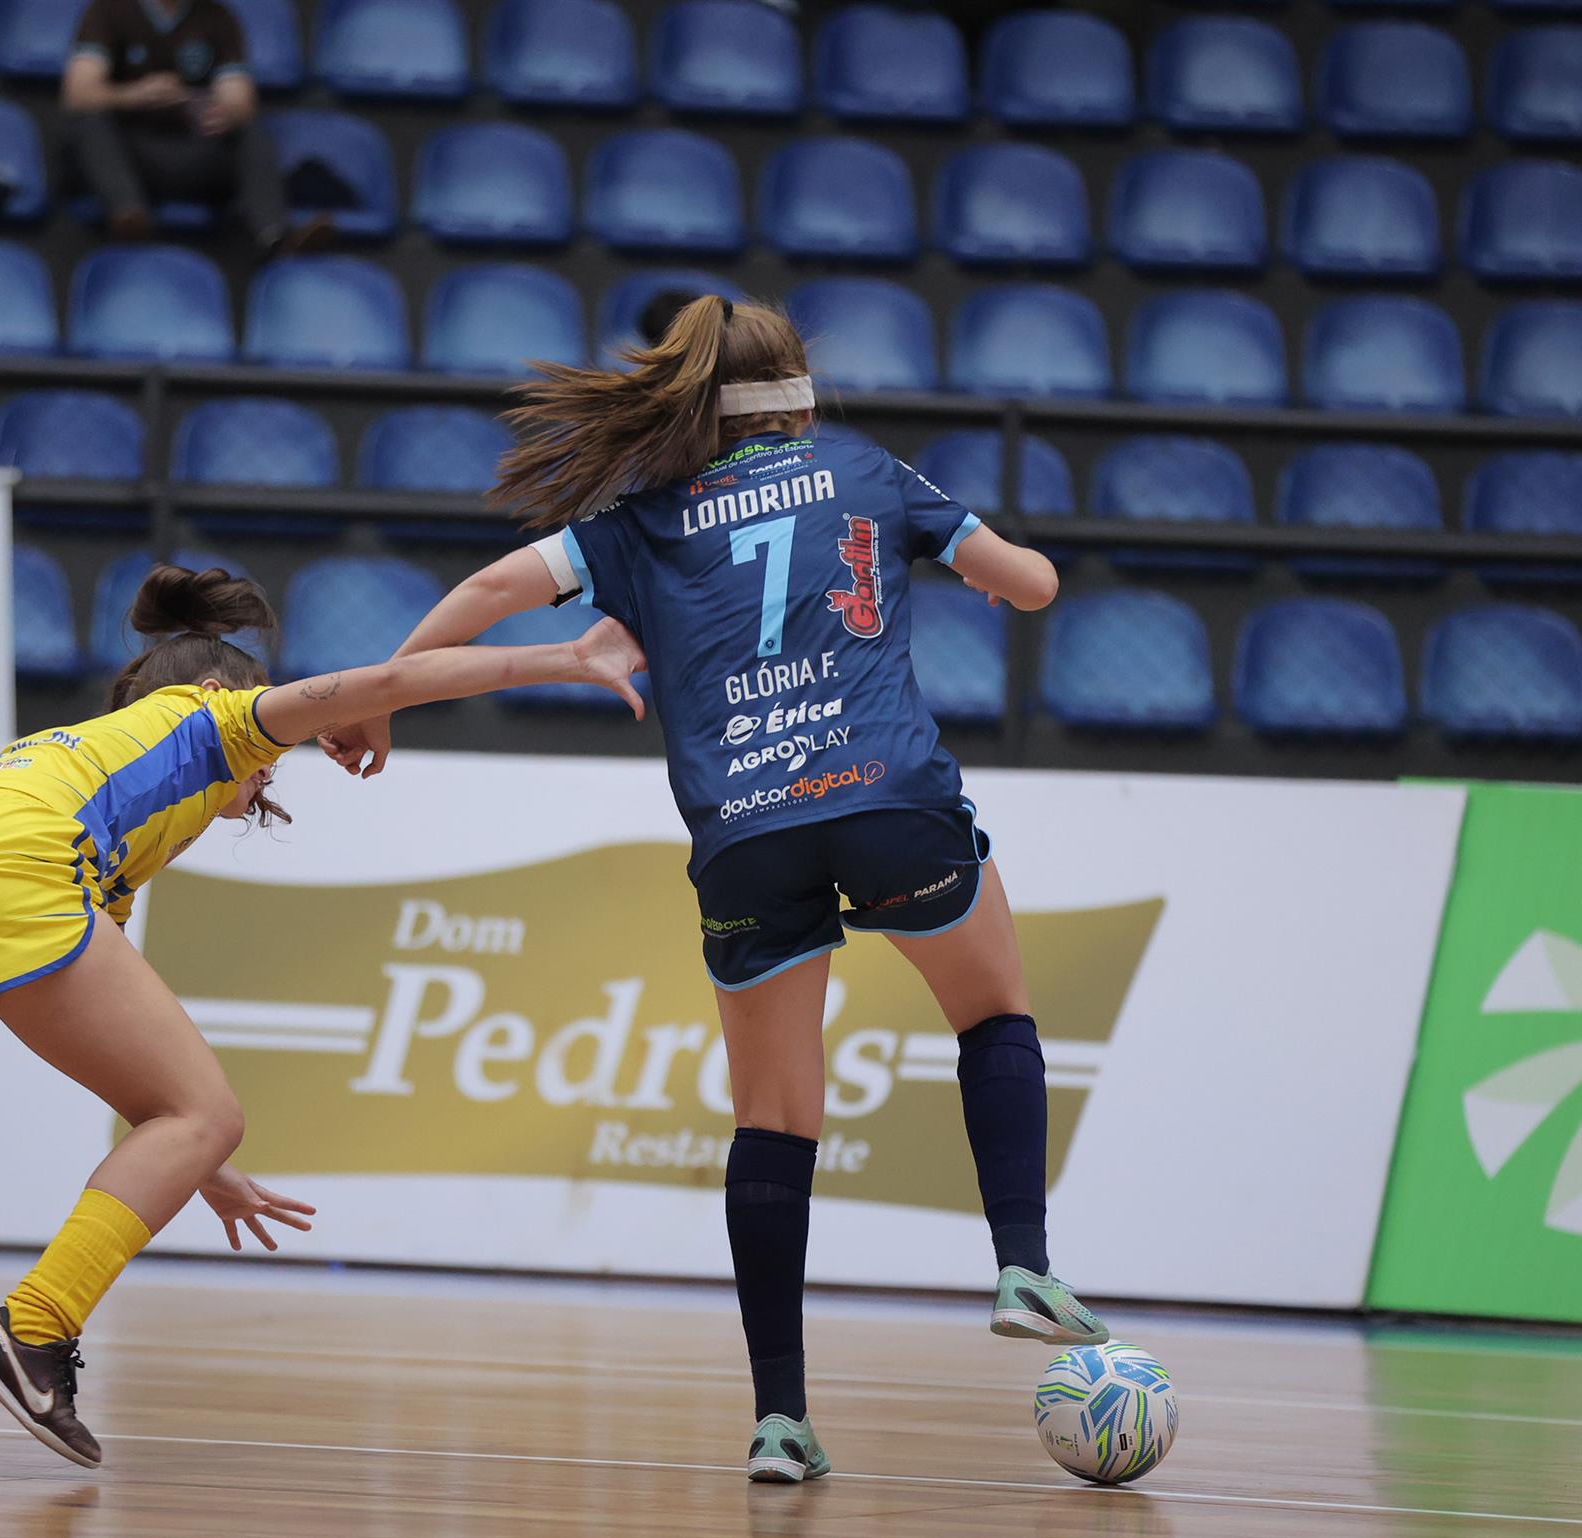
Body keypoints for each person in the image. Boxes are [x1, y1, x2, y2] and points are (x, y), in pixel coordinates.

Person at [320, 298, 1108, 1483]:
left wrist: (381, 691)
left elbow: (486, 589)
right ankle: (1021, 1264)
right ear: (796, 386)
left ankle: (779, 1418)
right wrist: (989, 569)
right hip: (887, 796)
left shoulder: (635, 521)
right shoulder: (867, 469)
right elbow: (1035, 585)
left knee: (773, 1118)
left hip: (744, 831)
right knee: (992, 1009)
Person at [0, 565, 645, 1469]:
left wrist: (199, 1158)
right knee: (208, 1109)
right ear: (220, 688)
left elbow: (136, 1061)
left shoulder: (89, 767)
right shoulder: (212, 718)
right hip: (2, 861)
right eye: (273, 758)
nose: (265, 779)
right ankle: (32, 1330)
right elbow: (383, 683)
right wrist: (571, 654)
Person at [60, 0, 319, 250]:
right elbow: (77, 93)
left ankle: (274, 236)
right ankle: (129, 215)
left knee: (249, 130)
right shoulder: (108, 8)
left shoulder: (218, 16)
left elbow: (240, 98)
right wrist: (136, 95)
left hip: (188, 152)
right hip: (126, 154)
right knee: (88, 121)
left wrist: (224, 111)